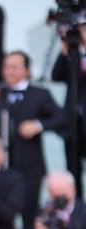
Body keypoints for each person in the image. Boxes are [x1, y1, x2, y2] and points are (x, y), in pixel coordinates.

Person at [0, 51, 66, 229]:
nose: (9, 71)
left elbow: (61, 117)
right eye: (6, 67)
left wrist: (37, 125)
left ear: (26, 70)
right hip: (3, 170)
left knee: (30, 217)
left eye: (15, 67)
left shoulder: (40, 94)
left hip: (30, 169)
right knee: (0, 215)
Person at [51, 24, 86, 198]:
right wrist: (65, 49)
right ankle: (78, 212)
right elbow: (56, 76)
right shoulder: (72, 53)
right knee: (73, 170)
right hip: (73, 122)